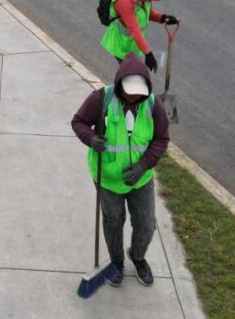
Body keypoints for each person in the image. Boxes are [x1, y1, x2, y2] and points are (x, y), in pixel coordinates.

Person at [71, 53, 169, 287]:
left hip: (140, 179)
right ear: (119, 86)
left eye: (139, 92)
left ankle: (137, 256)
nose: (134, 96)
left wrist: (143, 165)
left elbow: (161, 139)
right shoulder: (101, 98)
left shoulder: (153, 105)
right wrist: (91, 138)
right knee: (113, 222)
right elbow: (78, 122)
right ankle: (116, 263)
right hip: (108, 179)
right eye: (129, 91)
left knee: (146, 223)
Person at [101, 0, 178, 72]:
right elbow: (134, 29)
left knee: (132, 79)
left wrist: (163, 18)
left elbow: (148, 13)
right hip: (121, 46)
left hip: (134, 46)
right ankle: (112, 88)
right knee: (131, 79)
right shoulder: (124, 3)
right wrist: (148, 53)